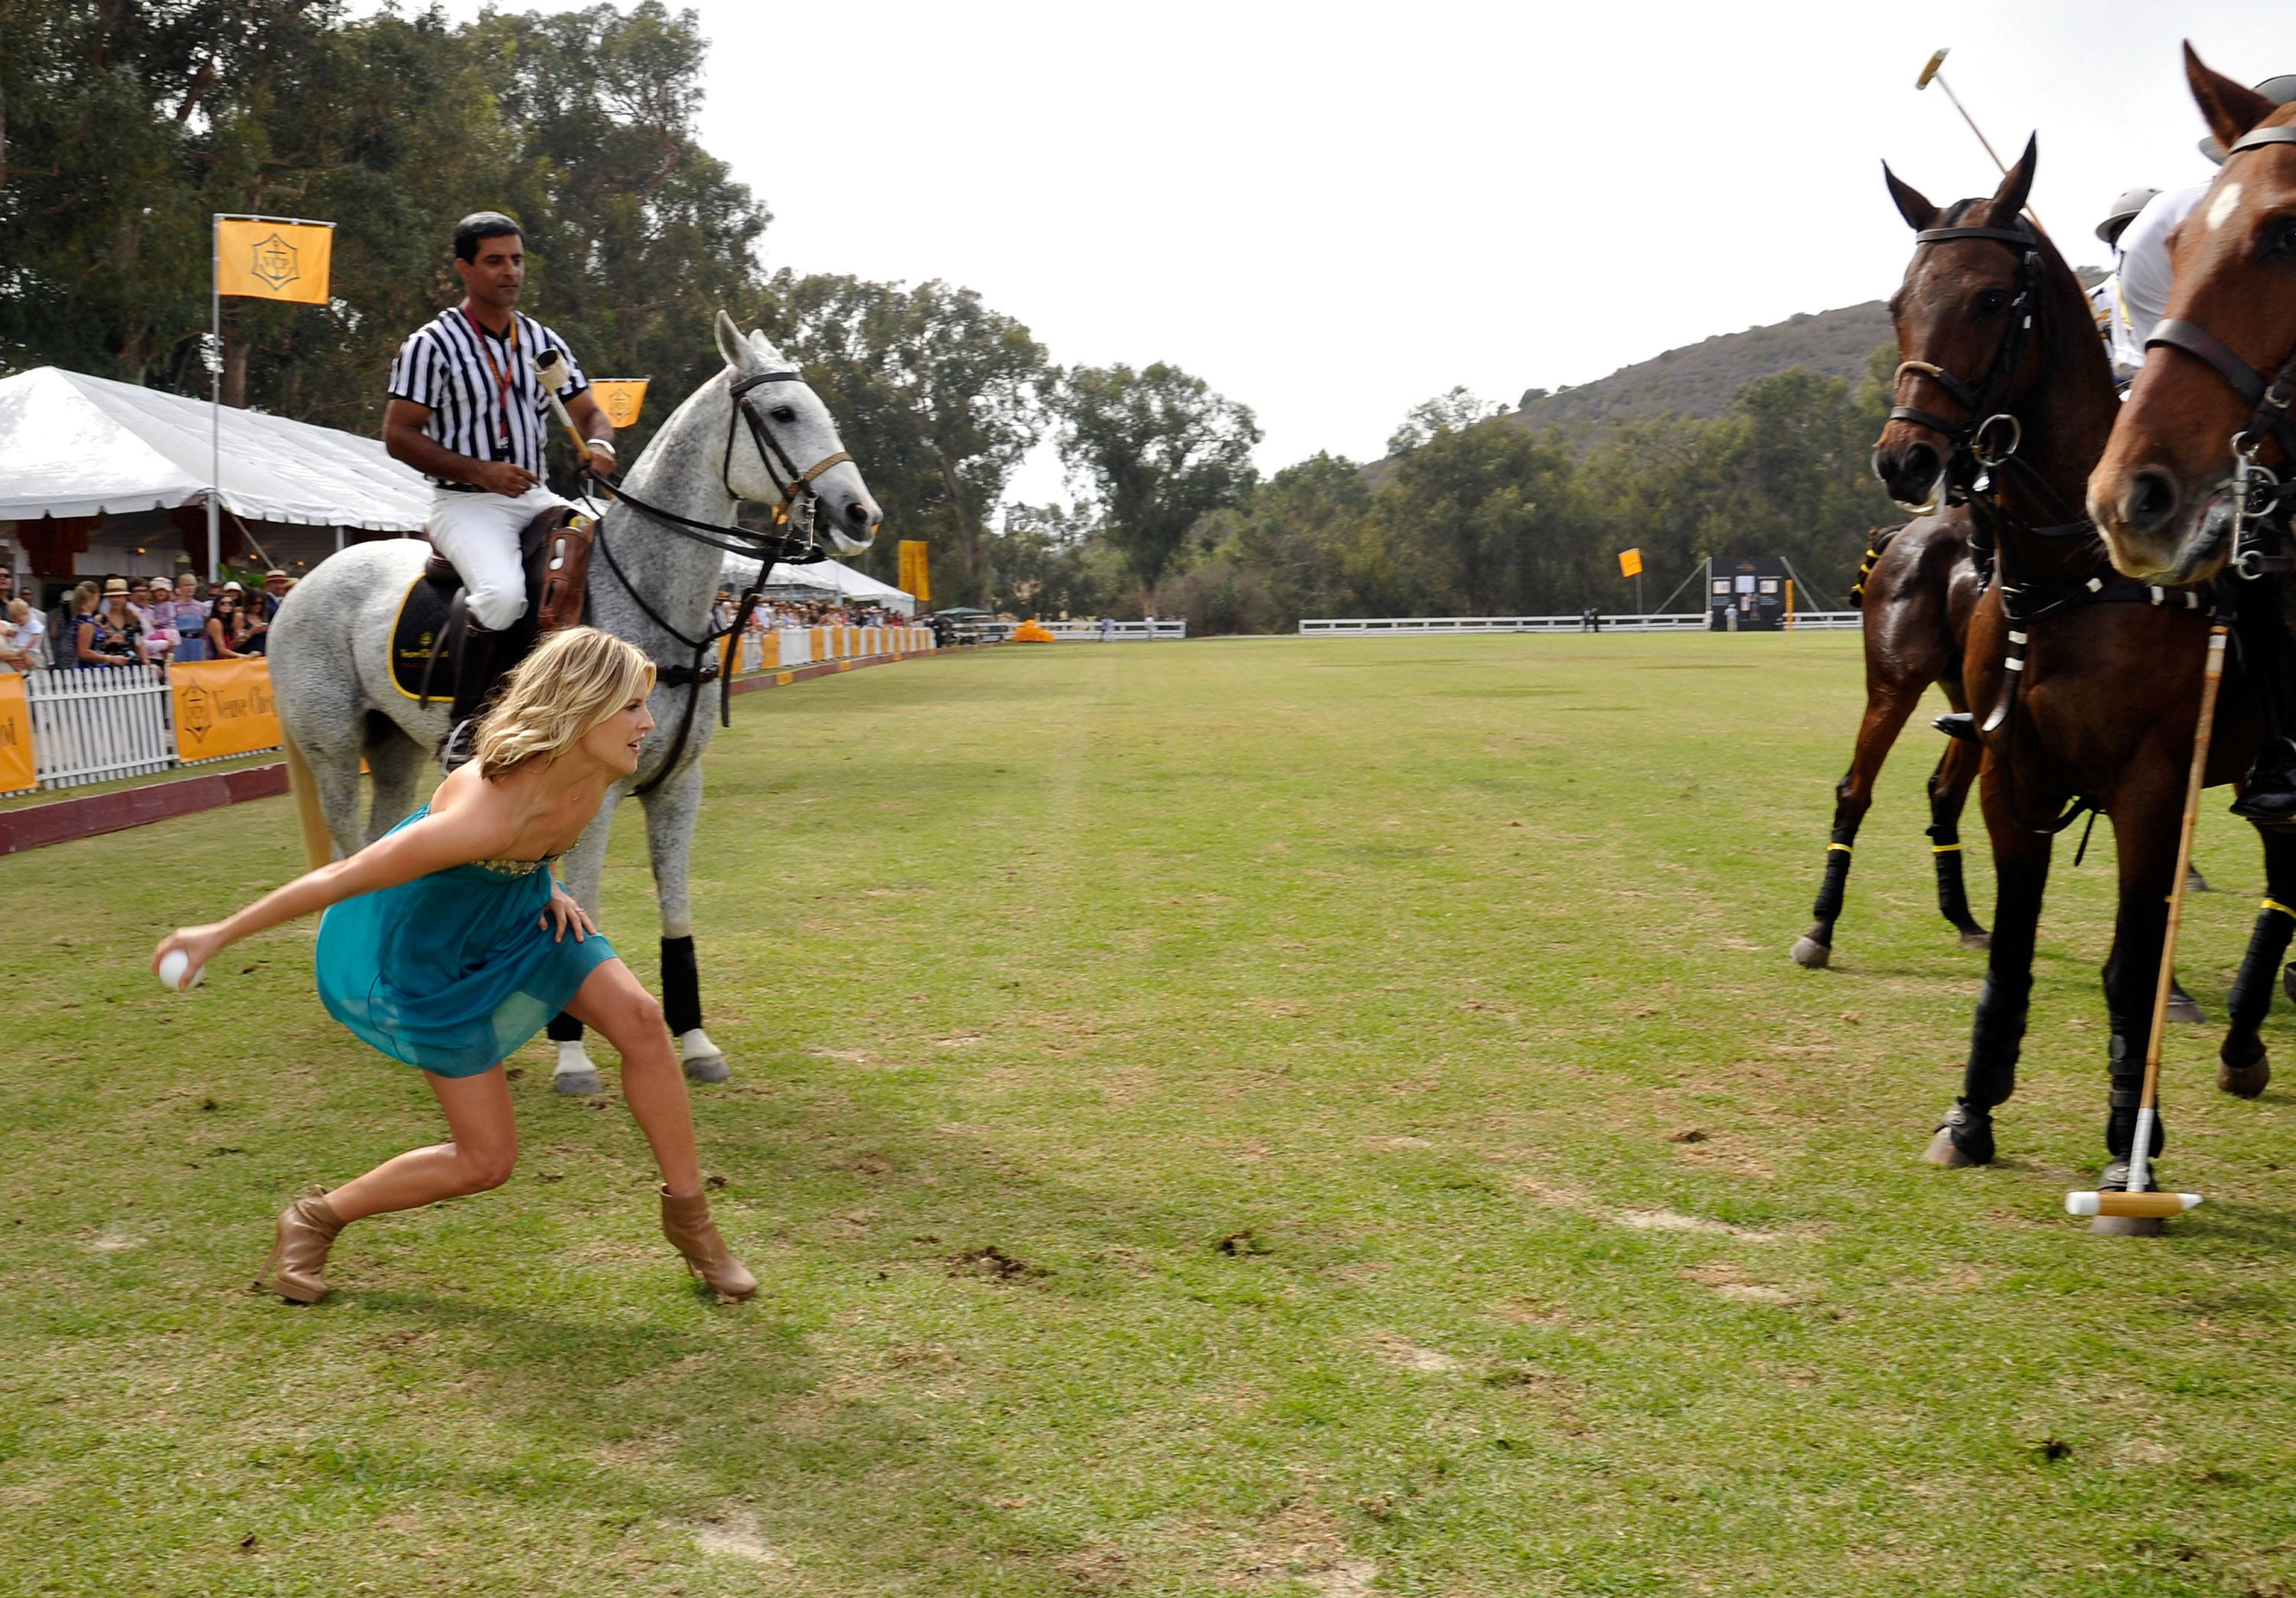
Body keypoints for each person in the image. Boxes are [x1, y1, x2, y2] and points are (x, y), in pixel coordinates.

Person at [151, 628, 755, 1306]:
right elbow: (342, 878)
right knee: (485, 1162)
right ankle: (317, 1217)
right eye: (632, 707)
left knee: (644, 1021)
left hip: (527, 917)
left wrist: (546, 878)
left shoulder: (596, 771)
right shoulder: (480, 815)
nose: (649, 722)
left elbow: (545, 836)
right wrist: (218, 934)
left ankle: (694, 1228)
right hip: (438, 959)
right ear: (580, 707)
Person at [382, 211, 618, 758]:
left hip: (535, 497)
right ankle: (464, 728)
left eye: (516, 260)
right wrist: (479, 470)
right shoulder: (431, 345)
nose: (510, 271)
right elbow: (398, 435)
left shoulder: (540, 343)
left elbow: (590, 414)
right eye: (495, 261)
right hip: (466, 503)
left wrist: (600, 446)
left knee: (608, 552)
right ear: (465, 268)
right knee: (504, 596)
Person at [78, 578, 146, 668]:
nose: (115, 600)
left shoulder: (133, 618)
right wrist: (109, 642)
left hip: (132, 665)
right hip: (108, 666)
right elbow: (92, 647)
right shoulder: (100, 619)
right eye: (112, 597)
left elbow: (139, 644)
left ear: (125, 597)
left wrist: (147, 662)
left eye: (119, 596)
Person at [204, 589, 249, 660]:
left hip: (226, 659)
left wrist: (241, 639)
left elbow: (230, 646)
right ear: (216, 605)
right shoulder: (214, 622)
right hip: (216, 661)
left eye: (230, 603)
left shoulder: (228, 622)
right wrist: (245, 656)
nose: (227, 605)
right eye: (222, 603)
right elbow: (221, 650)